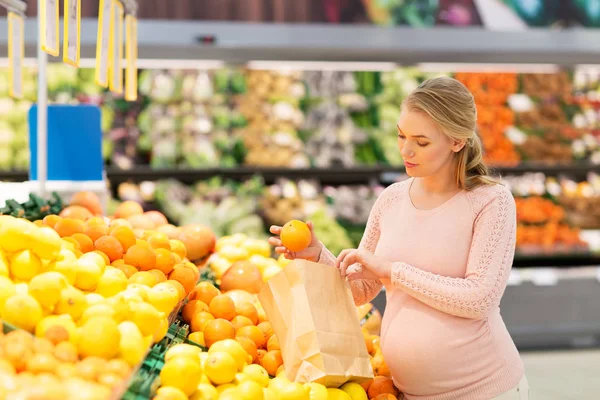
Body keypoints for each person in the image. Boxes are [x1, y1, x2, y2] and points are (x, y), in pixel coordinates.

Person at [269, 76, 529, 400]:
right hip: (408, 392)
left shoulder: (491, 202)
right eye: (401, 135)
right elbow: (362, 288)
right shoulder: (391, 199)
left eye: (421, 142)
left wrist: (392, 271)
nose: (406, 150)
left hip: (484, 391)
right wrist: (319, 257)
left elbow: (478, 299)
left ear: (457, 141)